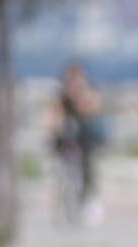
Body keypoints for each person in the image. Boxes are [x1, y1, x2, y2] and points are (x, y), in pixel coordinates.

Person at [49, 63, 107, 227]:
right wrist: (53, 128)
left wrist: (80, 98)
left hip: (85, 138)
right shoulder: (62, 97)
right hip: (66, 138)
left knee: (87, 167)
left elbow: (93, 109)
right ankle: (63, 203)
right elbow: (53, 117)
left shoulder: (88, 92)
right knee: (61, 168)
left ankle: (89, 201)